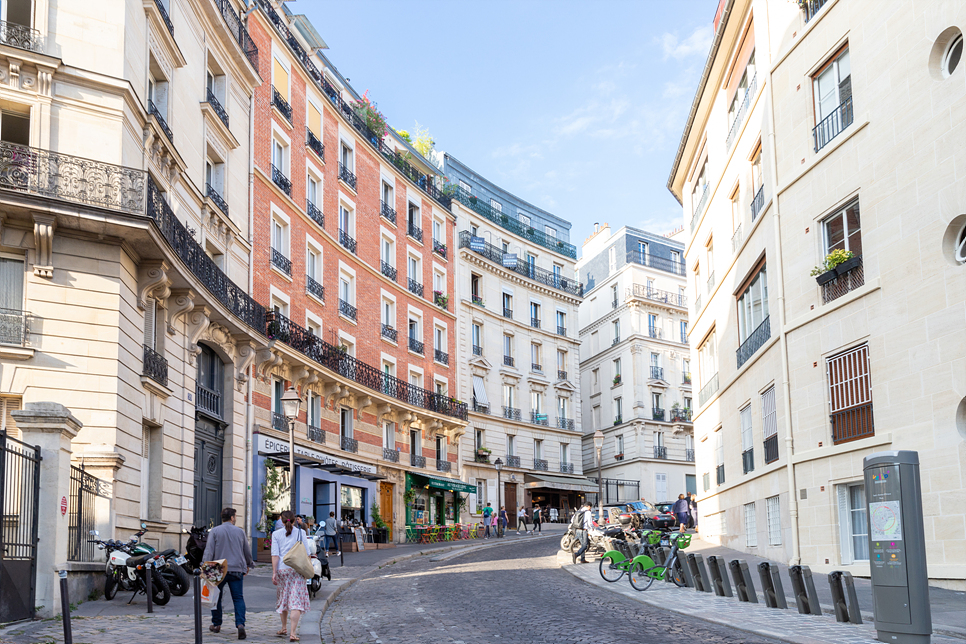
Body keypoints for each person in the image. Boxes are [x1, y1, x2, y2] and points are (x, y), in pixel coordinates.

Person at [202, 507, 254, 640]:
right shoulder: (240, 532)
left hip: (218, 569)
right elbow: (246, 551)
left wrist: (205, 566)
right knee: (238, 598)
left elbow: (209, 551)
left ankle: (216, 624)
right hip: (236, 569)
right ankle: (240, 624)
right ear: (232, 518)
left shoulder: (215, 531)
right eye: (235, 516)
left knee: (216, 597)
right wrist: (249, 564)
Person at [272, 510, 313, 642]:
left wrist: (274, 572)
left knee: (283, 598)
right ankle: (293, 633)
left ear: (281, 520)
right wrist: (308, 570)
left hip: (283, 570)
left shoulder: (276, 534)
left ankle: (283, 627)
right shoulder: (301, 533)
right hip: (297, 570)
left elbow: (275, 555)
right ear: (294, 520)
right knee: (295, 602)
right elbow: (307, 554)